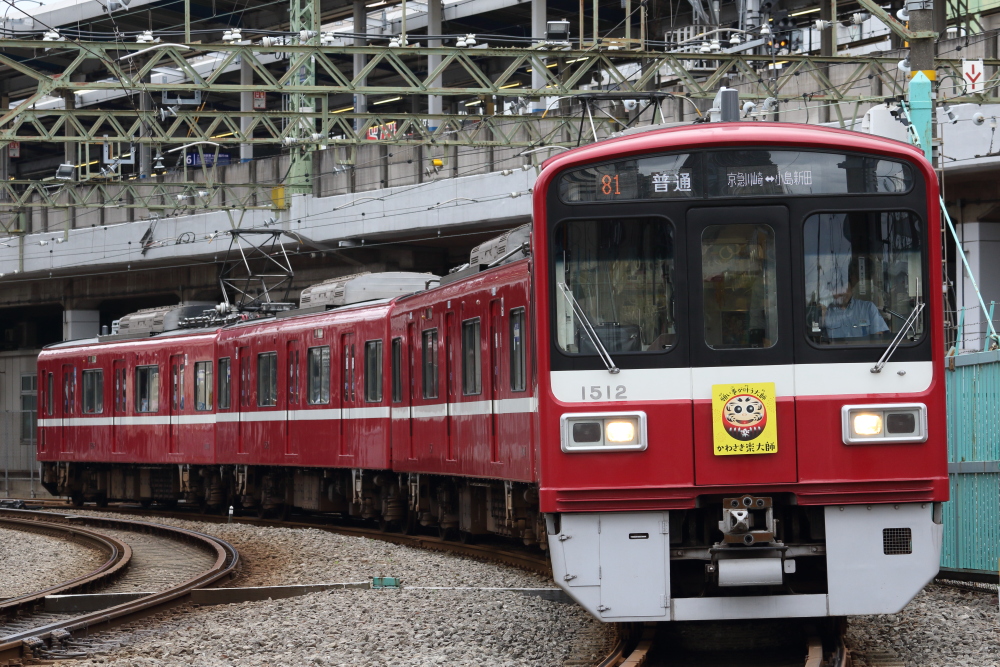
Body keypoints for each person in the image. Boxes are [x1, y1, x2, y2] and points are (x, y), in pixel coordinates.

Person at [822, 262, 890, 339]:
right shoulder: (826, 313)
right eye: (836, 288)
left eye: (844, 287)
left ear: (851, 288)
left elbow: (879, 338)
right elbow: (822, 342)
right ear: (831, 291)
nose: (841, 292)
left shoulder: (868, 308)